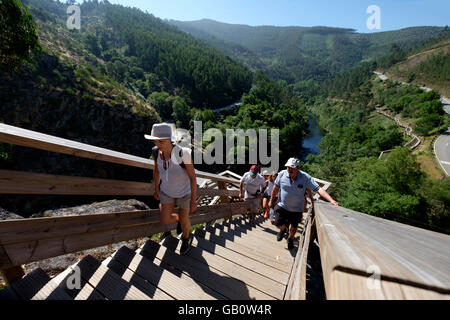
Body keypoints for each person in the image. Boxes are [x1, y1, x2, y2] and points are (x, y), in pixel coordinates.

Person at [145, 123, 197, 255]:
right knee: (164, 220)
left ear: (170, 139)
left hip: (184, 193)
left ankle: (186, 238)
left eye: (161, 141)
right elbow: (156, 171)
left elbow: (192, 177)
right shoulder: (156, 152)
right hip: (166, 191)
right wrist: (156, 189)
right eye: (155, 140)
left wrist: (193, 200)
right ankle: (180, 219)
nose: (157, 143)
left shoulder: (182, 153)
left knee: (185, 219)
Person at [269, 158, 338, 250]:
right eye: (288, 167)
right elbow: (275, 187)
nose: (289, 169)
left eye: (292, 167)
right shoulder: (282, 174)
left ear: (298, 167)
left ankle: (290, 238)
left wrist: (331, 200)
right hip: (282, 205)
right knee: (277, 223)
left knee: (294, 227)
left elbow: (318, 189)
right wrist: (271, 200)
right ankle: (283, 229)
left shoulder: (305, 177)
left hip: (297, 209)